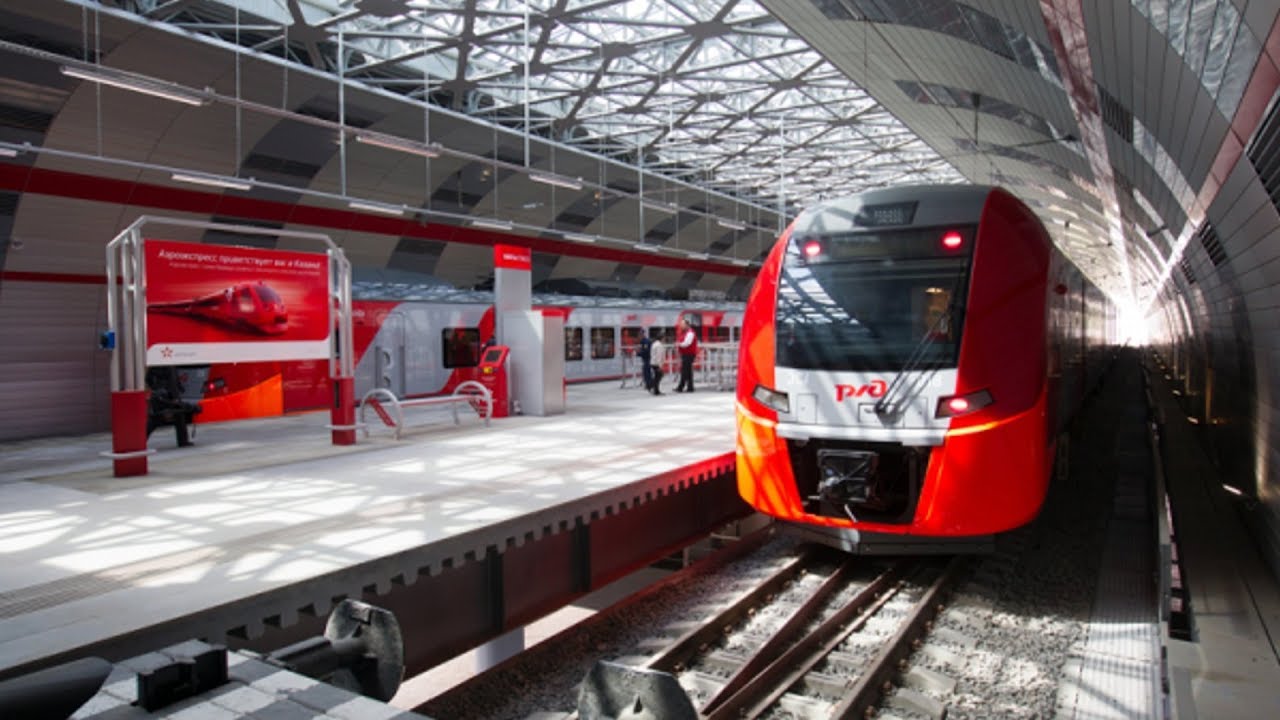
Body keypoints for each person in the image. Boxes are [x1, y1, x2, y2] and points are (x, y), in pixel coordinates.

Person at [145, 366, 200, 447]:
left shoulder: (170, 366)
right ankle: (140, 440)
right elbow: (149, 379)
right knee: (157, 419)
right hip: (165, 395)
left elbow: (173, 379)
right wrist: (158, 388)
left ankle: (183, 441)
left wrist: (179, 387)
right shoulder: (160, 365)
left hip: (170, 394)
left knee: (179, 416)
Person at [675, 319, 698, 392]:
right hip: (686, 354)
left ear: (687, 325)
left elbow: (687, 343)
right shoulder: (685, 332)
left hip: (688, 354)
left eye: (683, 324)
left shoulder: (690, 333)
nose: (681, 326)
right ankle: (690, 387)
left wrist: (679, 344)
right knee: (688, 371)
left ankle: (681, 387)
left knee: (684, 370)